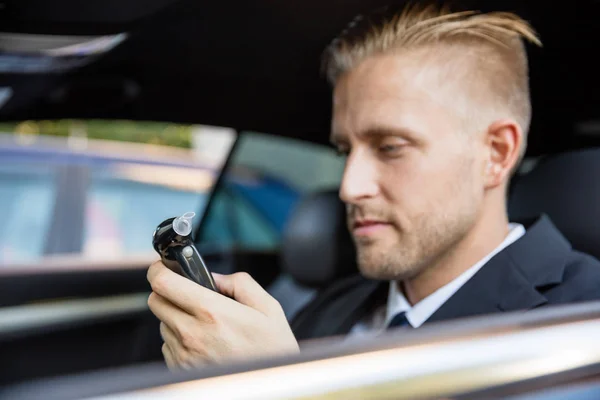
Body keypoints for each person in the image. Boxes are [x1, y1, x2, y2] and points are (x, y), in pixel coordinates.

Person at [146, 1, 600, 369]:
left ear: (496, 153)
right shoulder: (331, 306)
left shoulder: (583, 320)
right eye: (345, 151)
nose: (349, 187)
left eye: (390, 147)